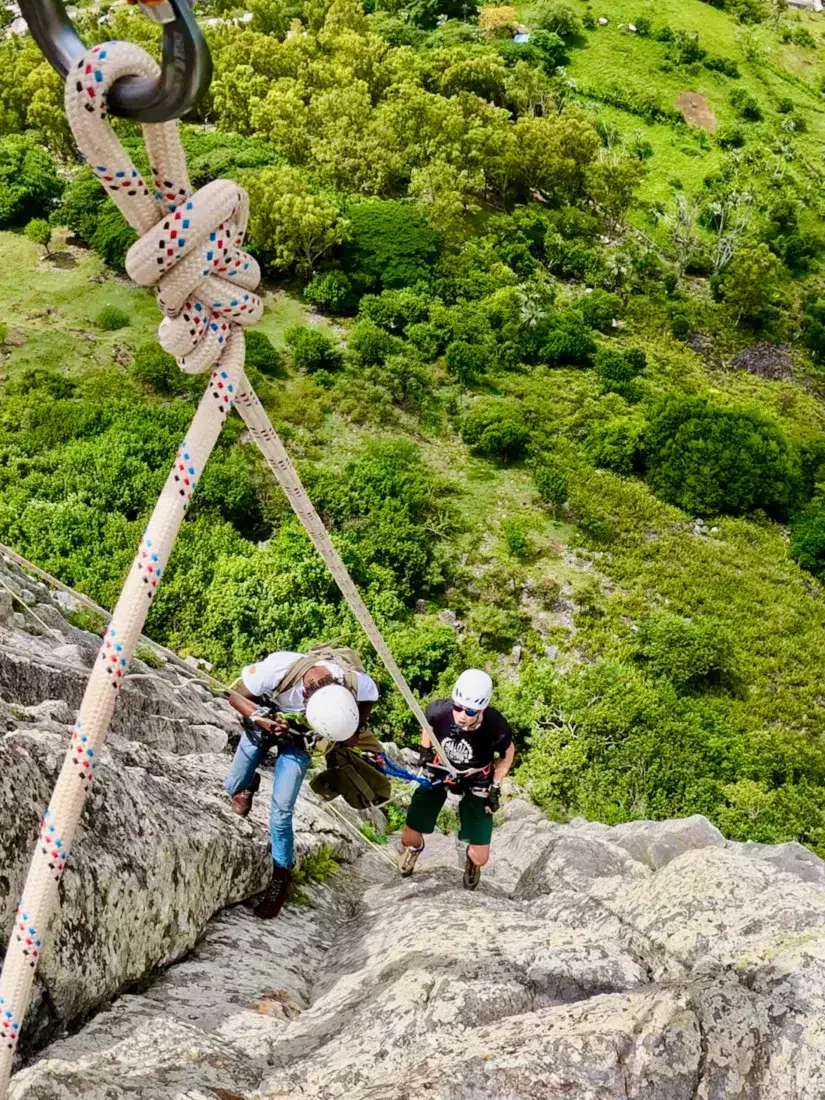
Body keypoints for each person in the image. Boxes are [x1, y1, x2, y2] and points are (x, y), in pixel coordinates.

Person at [224, 647, 380, 919]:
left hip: (298, 740)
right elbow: (234, 696)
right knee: (232, 786)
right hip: (263, 720)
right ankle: (246, 785)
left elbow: (372, 693)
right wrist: (263, 720)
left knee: (281, 813)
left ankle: (280, 878)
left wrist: (359, 725)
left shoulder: (353, 683)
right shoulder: (275, 671)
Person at [399, 669, 515, 890]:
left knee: (480, 856)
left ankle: (472, 862)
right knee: (408, 838)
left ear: (481, 709)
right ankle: (415, 849)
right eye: (458, 707)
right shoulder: (440, 710)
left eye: (470, 711)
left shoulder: (495, 727)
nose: (462, 715)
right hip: (441, 766)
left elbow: (508, 754)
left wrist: (495, 785)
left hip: (476, 776)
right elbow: (428, 724)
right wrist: (424, 750)